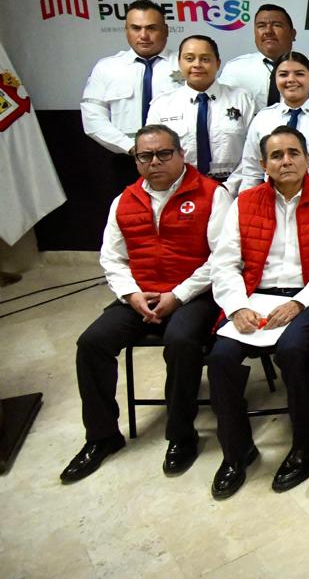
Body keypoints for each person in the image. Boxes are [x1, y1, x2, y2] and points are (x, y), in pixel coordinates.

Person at [60, 125, 228, 483]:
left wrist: (177, 295)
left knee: (181, 341)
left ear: (181, 155)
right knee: (91, 343)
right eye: (145, 156)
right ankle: (102, 436)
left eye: (164, 153)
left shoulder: (213, 194)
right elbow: (112, 258)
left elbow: (221, 258)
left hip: (194, 295)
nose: (155, 162)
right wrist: (132, 294)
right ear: (136, 161)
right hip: (140, 295)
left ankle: (181, 435)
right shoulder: (124, 201)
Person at [206, 127, 309, 498]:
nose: (286, 161)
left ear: (307, 159)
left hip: (307, 298)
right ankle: (236, 452)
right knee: (220, 358)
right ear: (264, 164)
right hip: (255, 297)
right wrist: (237, 307)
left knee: (294, 351)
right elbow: (224, 263)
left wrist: (300, 302)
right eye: (277, 155)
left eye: (294, 153)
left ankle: (306, 445)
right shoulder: (245, 202)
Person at [80, 0, 182, 168]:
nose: (144, 35)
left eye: (151, 28)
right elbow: (93, 117)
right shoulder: (106, 68)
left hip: (178, 160)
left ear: (165, 30)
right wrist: (132, 148)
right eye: (136, 28)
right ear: (126, 30)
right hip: (125, 160)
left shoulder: (186, 65)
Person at [227, 52, 309, 195]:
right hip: (272, 199)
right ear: (275, 79)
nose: (291, 80)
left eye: (299, 74)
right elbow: (252, 170)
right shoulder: (263, 118)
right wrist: (247, 201)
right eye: (283, 75)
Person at [147, 35, 256, 182]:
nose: (197, 64)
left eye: (205, 59)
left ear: (218, 63)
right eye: (189, 58)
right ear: (179, 63)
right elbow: (153, 154)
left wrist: (228, 187)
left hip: (233, 186)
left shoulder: (242, 100)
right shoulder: (161, 105)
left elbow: (254, 152)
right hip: (180, 187)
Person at [219, 4, 298, 110]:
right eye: (261, 26)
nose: (268, 31)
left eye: (277, 25)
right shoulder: (234, 69)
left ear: (292, 34)